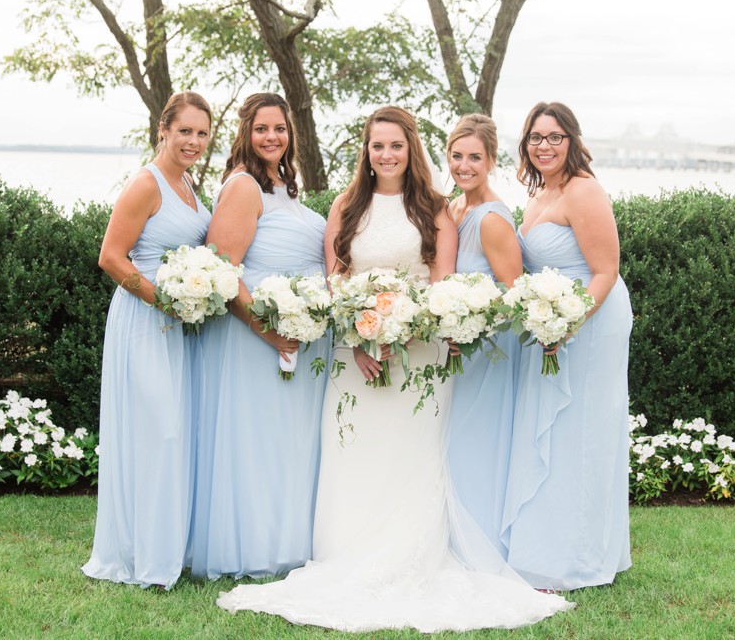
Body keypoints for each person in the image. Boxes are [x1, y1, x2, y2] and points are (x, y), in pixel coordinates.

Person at [216, 106, 572, 633]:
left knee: (410, 456)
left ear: (412, 150)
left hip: (419, 356)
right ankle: (343, 553)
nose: (386, 154)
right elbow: (336, 278)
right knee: (353, 452)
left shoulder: (434, 209)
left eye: (396, 146)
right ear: (366, 150)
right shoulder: (346, 204)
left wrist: (399, 331)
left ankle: (413, 557)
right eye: (377, 145)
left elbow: (441, 281)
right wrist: (361, 333)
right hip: (350, 356)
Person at [189, 93, 328, 579]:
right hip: (254, 341)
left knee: (286, 443)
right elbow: (223, 276)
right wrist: (270, 333)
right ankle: (250, 549)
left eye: (280, 129)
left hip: (297, 338)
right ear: (246, 133)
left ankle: (287, 541)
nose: (272, 137)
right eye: (262, 128)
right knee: (256, 442)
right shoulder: (244, 186)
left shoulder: (286, 187)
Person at [81, 91, 214, 589]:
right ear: (163, 130)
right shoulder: (146, 183)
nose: (194, 141)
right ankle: (142, 558)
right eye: (185, 131)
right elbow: (112, 258)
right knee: (156, 431)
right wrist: (167, 302)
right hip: (144, 320)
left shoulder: (189, 187)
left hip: (180, 325)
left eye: (202, 133)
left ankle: (169, 549)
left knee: (176, 433)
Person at [504, 101, 633, 591]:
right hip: (551, 320)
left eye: (554, 137)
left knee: (581, 430)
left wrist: (569, 322)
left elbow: (606, 271)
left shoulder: (583, 191)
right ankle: (546, 545)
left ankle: (577, 558)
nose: (544, 146)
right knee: (553, 430)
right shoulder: (538, 193)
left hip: (590, 321)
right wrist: (546, 320)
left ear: (572, 141)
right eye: (536, 138)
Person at [443, 114, 523, 558]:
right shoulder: (454, 208)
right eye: (457, 156)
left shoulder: (492, 218)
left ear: (491, 160)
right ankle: (454, 536)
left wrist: (469, 328)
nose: (464, 165)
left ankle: (483, 544)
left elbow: (513, 294)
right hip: (455, 345)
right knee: (453, 443)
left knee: (476, 442)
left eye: (474, 157)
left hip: (488, 349)